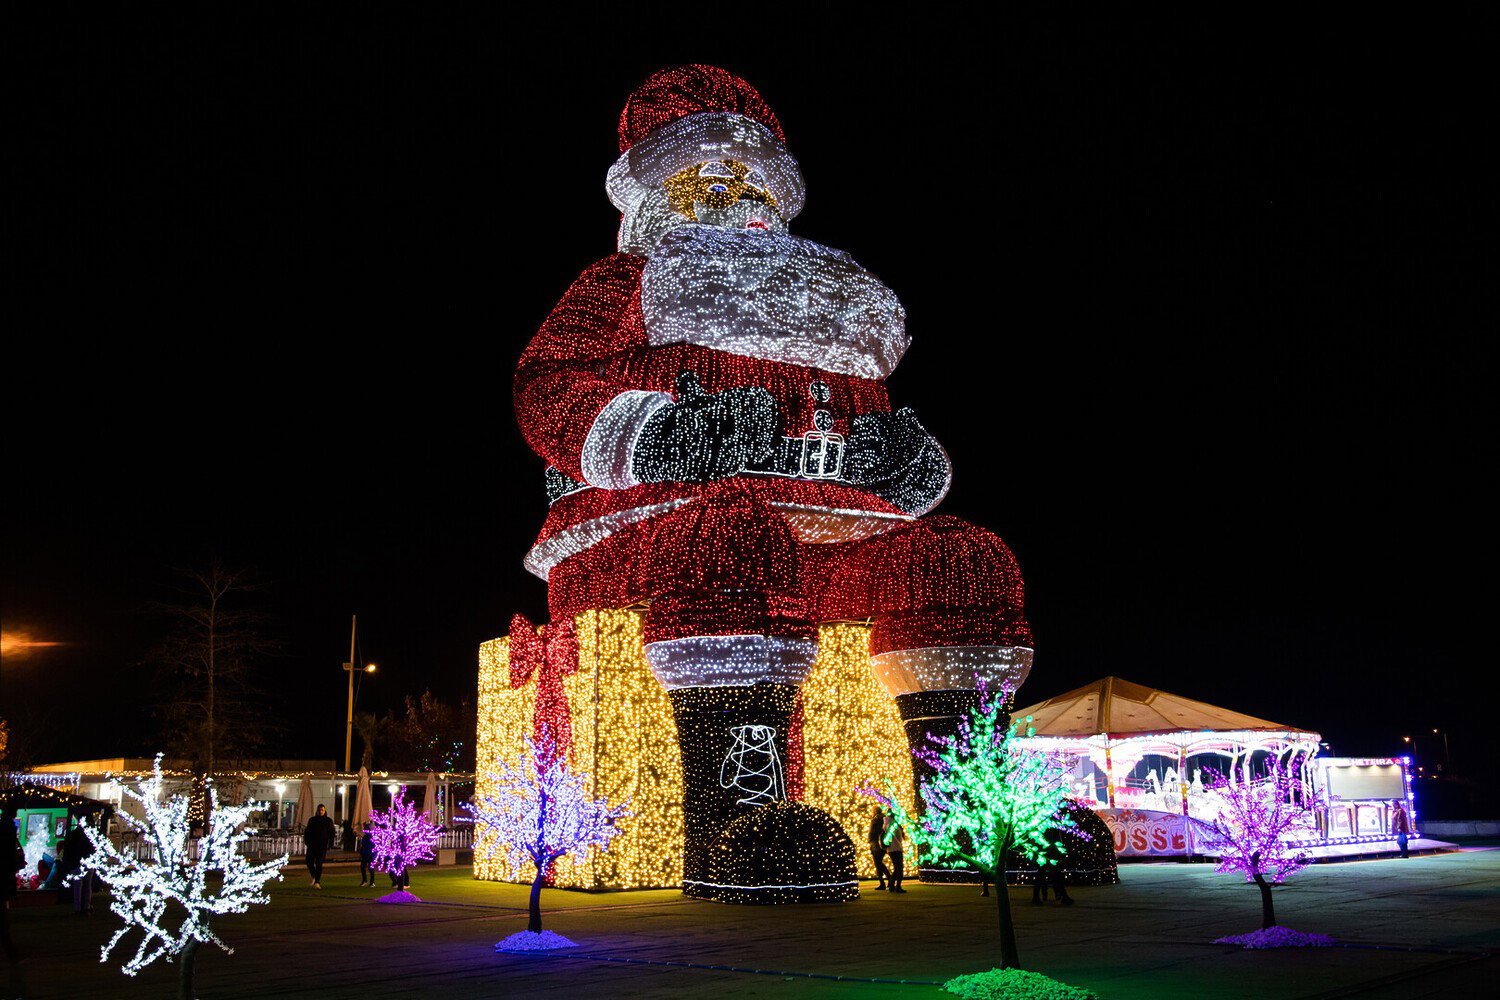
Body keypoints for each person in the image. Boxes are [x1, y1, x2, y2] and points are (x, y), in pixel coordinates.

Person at [62, 815, 96, 914]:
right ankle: (86, 906)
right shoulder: (90, 835)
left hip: (76, 862)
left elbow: (69, 850)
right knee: (87, 885)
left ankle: (77, 907)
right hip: (88, 862)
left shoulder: (73, 835)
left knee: (78, 885)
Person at [303, 804, 335, 888]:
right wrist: (306, 841)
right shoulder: (312, 820)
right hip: (312, 844)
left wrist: (330, 843)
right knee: (309, 861)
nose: (320, 811)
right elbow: (307, 831)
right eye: (319, 810)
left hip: (322, 845)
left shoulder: (328, 821)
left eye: (322, 810)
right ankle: (315, 876)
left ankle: (317, 881)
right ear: (317, 811)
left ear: (324, 811)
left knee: (319, 863)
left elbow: (332, 833)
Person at [867, 805, 890, 891]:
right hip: (883, 844)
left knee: (878, 864)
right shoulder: (885, 819)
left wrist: (869, 840)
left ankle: (883, 882)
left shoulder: (875, 820)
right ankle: (889, 879)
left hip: (876, 844)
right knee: (879, 863)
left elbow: (872, 832)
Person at [885, 812, 907, 893]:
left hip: (892, 849)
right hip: (896, 848)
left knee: (897, 868)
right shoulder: (893, 824)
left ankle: (892, 885)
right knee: (899, 868)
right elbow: (896, 837)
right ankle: (897, 886)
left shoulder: (887, 823)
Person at [358, 822, 375, 886]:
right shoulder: (365, 837)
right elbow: (363, 846)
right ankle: (365, 880)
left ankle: (372, 882)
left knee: (370, 868)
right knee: (363, 867)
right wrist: (361, 853)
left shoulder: (372, 837)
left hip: (370, 855)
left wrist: (374, 855)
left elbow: (374, 847)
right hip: (365, 854)